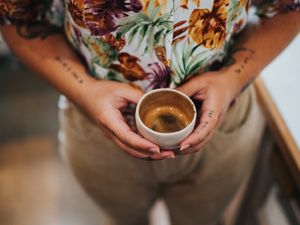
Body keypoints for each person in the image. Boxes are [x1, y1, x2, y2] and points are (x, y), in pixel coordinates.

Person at [1, 1, 299, 224]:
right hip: (98, 131)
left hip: (222, 126)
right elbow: (18, 18)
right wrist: (85, 91)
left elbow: (289, 7)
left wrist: (233, 78)